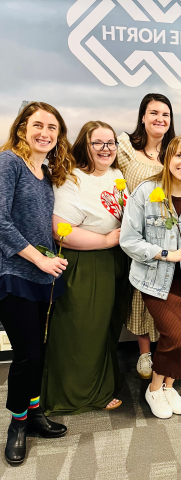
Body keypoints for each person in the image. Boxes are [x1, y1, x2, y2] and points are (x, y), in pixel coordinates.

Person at [0, 102, 74, 465]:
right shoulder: (10, 163)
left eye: (52, 128)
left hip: (43, 276)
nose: (44, 133)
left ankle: (33, 414)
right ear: (22, 129)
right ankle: (16, 426)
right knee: (27, 353)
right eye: (37, 125)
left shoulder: (45, 172)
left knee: (39, 351)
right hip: (14, 275)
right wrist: (39, 258)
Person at [120, 136, 181, 419]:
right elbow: (129, 240)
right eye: (179, 157)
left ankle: (169, 386)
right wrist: (165, 253)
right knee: (174, 333)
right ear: (167, 159)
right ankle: (154, 388)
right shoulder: (145, 192)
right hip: (152, 279)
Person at [42, 121, 130, 415]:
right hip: (86, 261)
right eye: (98, 143)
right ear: (86, 145)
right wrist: (105, 239)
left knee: (105, 328)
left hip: (115, 260)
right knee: (82, 330)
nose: (106, 149)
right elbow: (61, 231)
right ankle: (75, 396)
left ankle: (100, 387)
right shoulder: (72, 179)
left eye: (111, 143)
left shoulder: (117, 174)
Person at [117, 93, 176, 380]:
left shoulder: (175, 152)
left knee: (166, 294)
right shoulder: (126, 148)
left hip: (170, 237)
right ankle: (144, 352)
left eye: (165, 114)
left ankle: (167, 350)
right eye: (153, 113)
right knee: (140, 293)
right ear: (142, 116)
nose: (159, 119)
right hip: (137, 234)